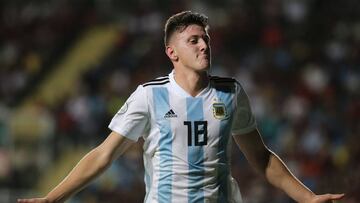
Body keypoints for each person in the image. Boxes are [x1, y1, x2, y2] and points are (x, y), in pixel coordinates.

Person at [18, 11, 344, 203]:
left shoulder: (230, 93)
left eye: (206, 39)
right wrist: (53, 198)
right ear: (172, 53)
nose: (204, 45)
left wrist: (308, 198)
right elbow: (104, 155)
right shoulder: (149, 96)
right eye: (194, 40)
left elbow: (262, 158)